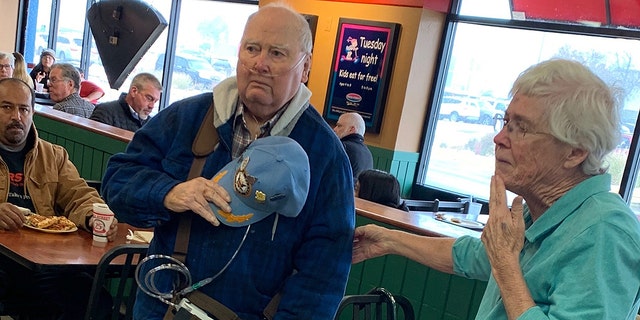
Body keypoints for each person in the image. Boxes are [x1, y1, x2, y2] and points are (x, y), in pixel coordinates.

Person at [101, 3, 354, 319]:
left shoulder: (325, 157)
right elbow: (118, 180)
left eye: (277, 53)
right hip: (160, 309)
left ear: (305, 68)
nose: (260, 63)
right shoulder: (186, 118)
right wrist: (168, 192)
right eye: (252, 48)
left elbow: (322, 279)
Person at [352, 59, 640, 319]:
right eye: (505, 122)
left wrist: (505, 264)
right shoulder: (540, 211)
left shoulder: (606, 233)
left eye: (521, 128)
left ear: (575, 152)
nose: (499, 138)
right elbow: (474, 256)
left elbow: (500, 260)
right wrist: (389, 240)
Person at [0, 78, 118, 319]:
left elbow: (79, 195)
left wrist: (92, 215)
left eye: (23, 109)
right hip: (3, 262)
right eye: (6, 107)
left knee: (96, 302)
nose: (17, 116)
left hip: (46, 262)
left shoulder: (54, 156)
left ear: (33, 112)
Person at [90, 72, 162, 131]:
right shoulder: (105, 111)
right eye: (149, 98)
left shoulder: (152, 125)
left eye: (155, 101)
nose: (151, 106)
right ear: (134, 91)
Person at [333, 112, 373, 180]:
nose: (334, 129)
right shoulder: (368, 154)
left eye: (339, 126)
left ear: (351, 129)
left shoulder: (343, 147)